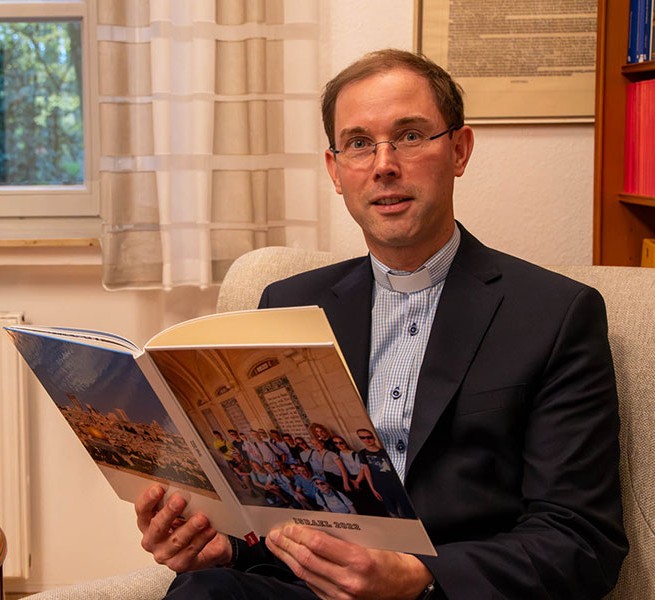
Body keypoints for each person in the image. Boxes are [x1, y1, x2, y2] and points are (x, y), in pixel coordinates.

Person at [134, 48, 627, 599]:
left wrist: (415, 577)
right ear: (336, 170)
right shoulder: (288, 303)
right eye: (359, 143)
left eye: (411, 135)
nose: (383, 164)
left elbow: (582, 540)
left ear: (459, 151)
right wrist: (225, 544)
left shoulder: (555, 314)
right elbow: (275, 507)